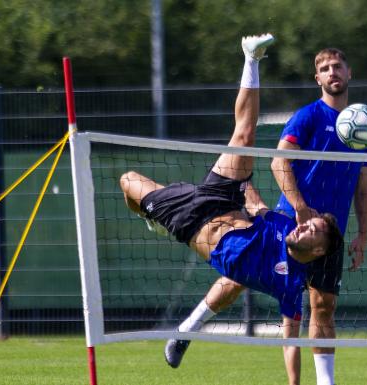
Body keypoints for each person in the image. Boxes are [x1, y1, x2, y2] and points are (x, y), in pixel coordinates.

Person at [119, 32, 345, 376]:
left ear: (316, 252)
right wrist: (244, 181)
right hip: (221, 198)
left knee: (129, 180)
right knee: (245, 137)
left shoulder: (290, 285)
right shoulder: (285, 223)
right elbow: (258, 207)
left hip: (192, 223)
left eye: (312, 229)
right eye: (309, 221)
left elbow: (290, 337)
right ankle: (251, 59)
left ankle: (156, 223)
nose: (305, 224)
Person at [165, 42, 367, 385]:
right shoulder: (308, 116)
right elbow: (279, 162)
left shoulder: (362, 127)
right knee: (235, 279)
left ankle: (326, 382)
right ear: (316, 78)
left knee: (323, 307)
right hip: (292, 222)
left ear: (350, 73)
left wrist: (363, 233)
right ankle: (188, 329)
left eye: (338, 66)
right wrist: (301, 208)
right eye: (325, 69)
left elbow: (363, 188)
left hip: (329, 237)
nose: (332, 73)